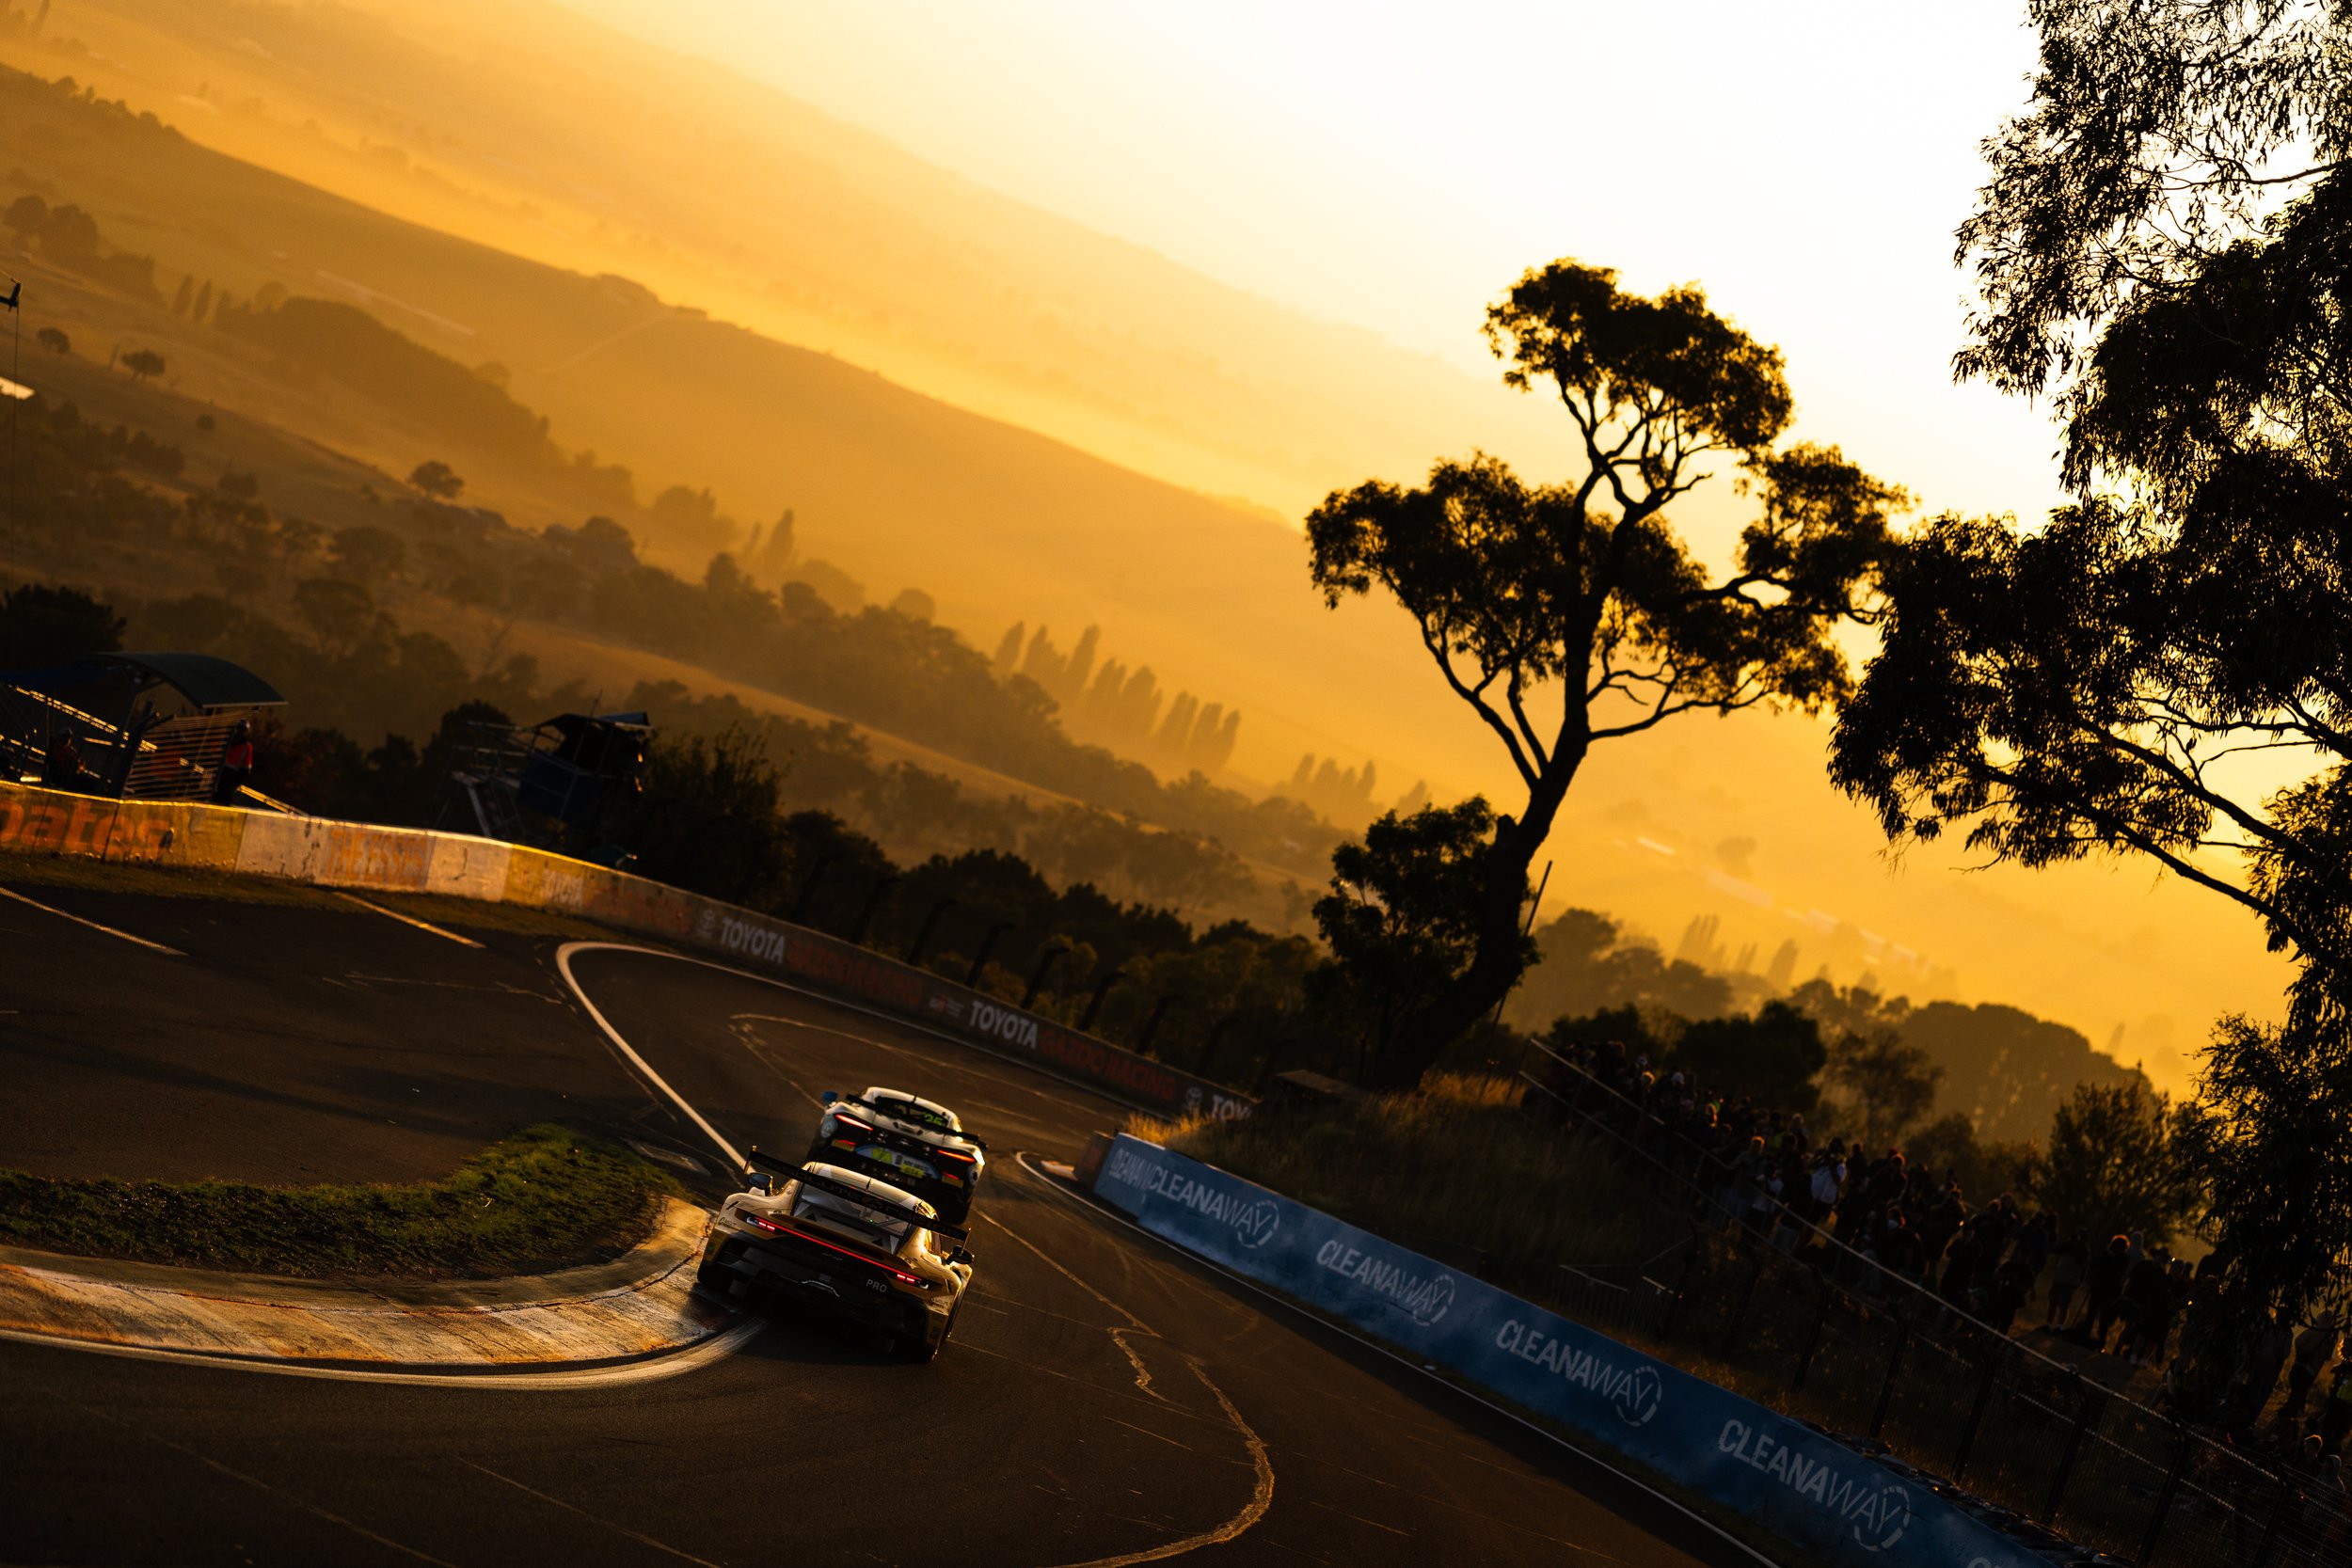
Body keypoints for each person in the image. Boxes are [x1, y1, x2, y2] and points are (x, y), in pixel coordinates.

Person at [213, 720, 255, 804]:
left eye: (242, 730)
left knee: (224, 800)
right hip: (221, 773)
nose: (240, 732)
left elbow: (246, 770)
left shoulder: (247, 746)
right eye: (239, 729)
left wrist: (235, 784)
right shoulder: (227, 741)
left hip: (231, 777)